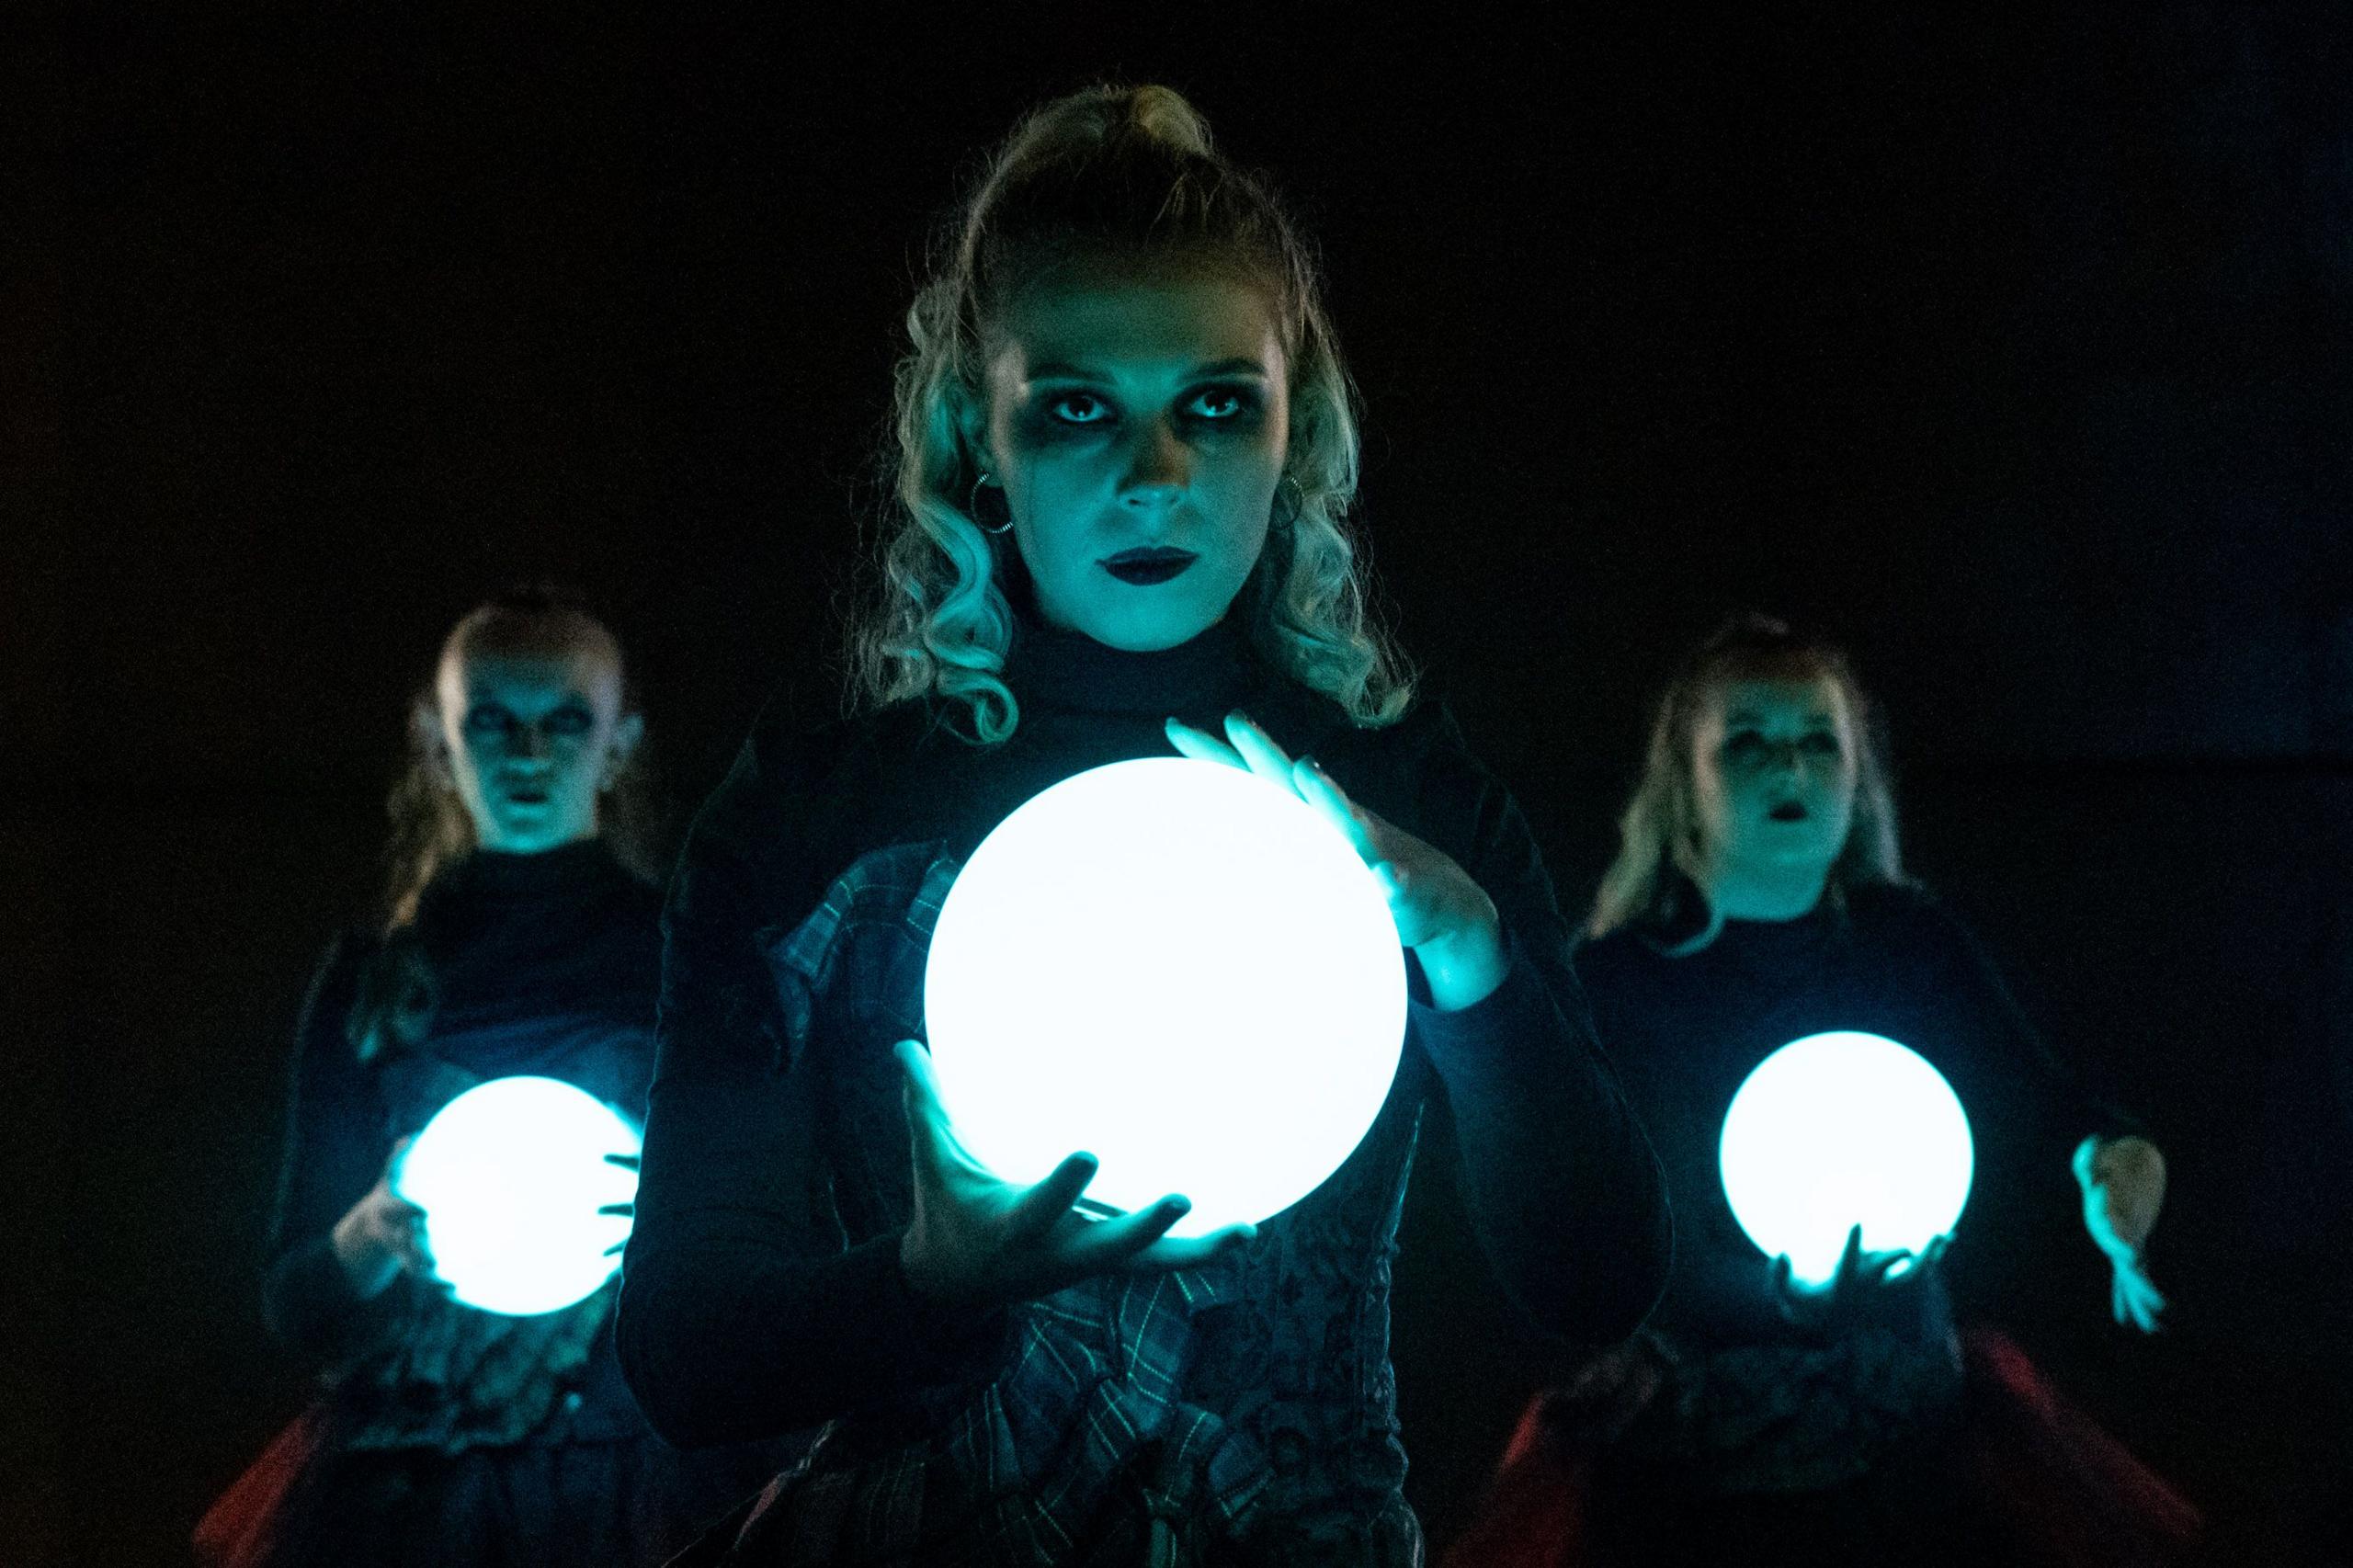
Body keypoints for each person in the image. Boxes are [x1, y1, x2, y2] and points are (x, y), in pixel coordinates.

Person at [615, 85, 1673, 1566]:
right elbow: (678, 1351)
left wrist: (1478, 968)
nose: (1154, 473)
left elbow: (1599, 1278)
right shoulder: (818, 806)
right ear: (976, 433)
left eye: (1216, 403)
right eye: (1077, 406)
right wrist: (926, 1279)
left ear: (1293, 423)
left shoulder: (1400, 788)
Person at [1446, 614, 2198, 1568]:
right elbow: (1601, 1242)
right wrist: (1782, 1292)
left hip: (1908, 1434)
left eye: (1815, 741)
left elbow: (2048, 1101)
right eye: (1747, 741)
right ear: (1687, 783)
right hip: (1690, 1455)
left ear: (1854, 776)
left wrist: (2110, 1156)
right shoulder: (1614, 984)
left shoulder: (1911, 944)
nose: (1787, 768)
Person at [199, 587, 774, 1568]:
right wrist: (368, 1230)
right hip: (406, 1482)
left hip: (628, 1460)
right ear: (437, 735)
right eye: (493, 720)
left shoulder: (689, 954)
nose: (528, 753)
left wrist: (676, 1218)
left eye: (564, 720)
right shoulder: (371, 979)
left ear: (621, 735)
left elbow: (770, 1226)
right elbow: (294, 1298)